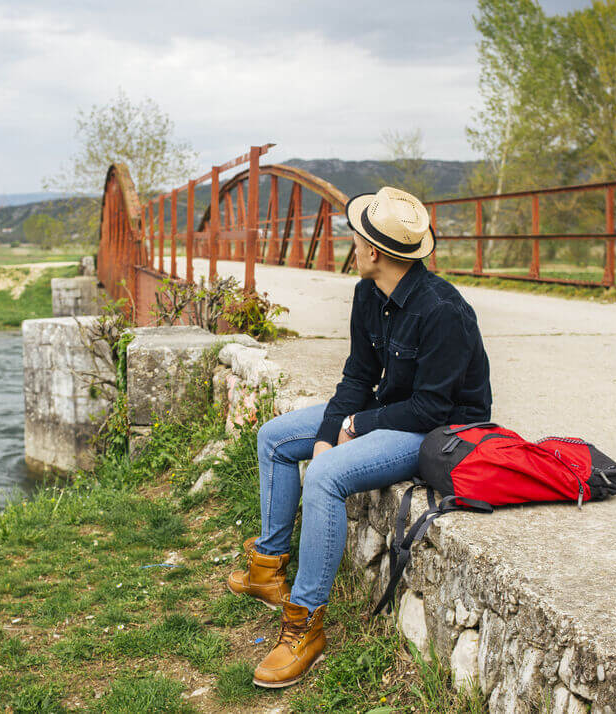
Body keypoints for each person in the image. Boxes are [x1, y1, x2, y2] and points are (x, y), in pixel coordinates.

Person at [226, 186, 492, 689]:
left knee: (324, 476)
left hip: (440, 432)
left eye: (357, 237)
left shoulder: (443, 312)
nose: (351, 243)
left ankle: (305, 624)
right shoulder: (369, 293)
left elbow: (431, 408)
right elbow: (356, 376)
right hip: (391, 411)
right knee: (275, 438)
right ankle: (267, 567)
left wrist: (354, 427)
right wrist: (330, 430)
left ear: (374, 252)